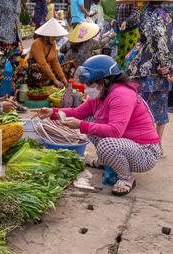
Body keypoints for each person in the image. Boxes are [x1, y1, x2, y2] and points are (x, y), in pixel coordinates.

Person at [35, 55, 161, 196]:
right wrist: (53, 112)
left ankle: (126, 177)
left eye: (90, 84)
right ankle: (107, 160)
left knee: (106, 145)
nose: (87, 88)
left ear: (105, 80)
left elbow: (115, 131)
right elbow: (78, 112)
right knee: (90, 119)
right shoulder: (100, 94)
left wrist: (81, 125)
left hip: (144, 152)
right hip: (126, 144)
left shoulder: (121, 95)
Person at [126, 1, 173, 158]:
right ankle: (156, 145)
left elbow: (142, 39)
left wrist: (133, 54)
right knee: (159, 108)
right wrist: (167, 66)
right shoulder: (162, 12)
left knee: (142, 106)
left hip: (142, 66)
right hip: (156, 68)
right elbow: (162, 42)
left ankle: (143, 142)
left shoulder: (145, 10)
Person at [27, 18, 69, 89]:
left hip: (46, 69)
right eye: (53, 35)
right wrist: (54, 79)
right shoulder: (37, 43)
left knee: (69, 65)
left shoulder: (52, 44)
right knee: (36, 68)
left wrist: (63, 78)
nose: (55, 38)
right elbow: (42, 63)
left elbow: (55, 62)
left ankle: (56, 83)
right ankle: (40, 86)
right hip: (36, 70)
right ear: (47, 35)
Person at [115, 1, 139, 68]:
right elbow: (118, 14)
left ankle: (128, 71)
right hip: (121, 30)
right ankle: (119, 70)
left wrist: (126, 22)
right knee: (120, 52)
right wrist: (114, 20)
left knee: (129, 52)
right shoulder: (119, 1)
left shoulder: (133, 2)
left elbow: (135, 13)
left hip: (131, 30)